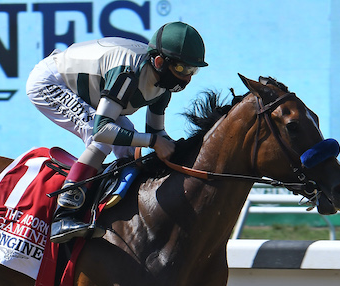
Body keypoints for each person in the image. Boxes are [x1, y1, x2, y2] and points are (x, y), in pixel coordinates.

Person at [26, 21, 207, 243]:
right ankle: (64, 215)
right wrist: (153, 142)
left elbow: (156, 133)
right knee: (99, 138)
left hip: (89, 89)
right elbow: (102, 130)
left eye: (193, 70)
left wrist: (178, 150)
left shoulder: (163, 86)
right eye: (182, 69)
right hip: (51, 82)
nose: (188, 78)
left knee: (130, 149)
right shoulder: (128, 74)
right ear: (160, 62)